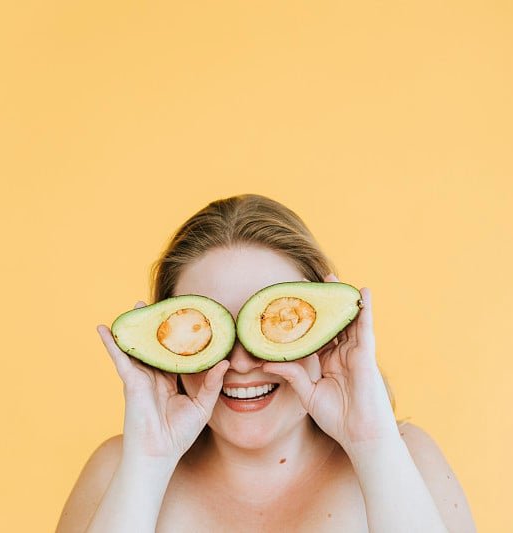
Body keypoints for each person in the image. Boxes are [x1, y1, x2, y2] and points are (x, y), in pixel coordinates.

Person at [56, 194, 476, 532]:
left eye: (278, 324)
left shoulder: (406, 457)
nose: (240, 362)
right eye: (202, 332)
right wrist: (148, 463)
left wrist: (371, 443)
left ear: (325, 332)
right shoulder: (119, 469)